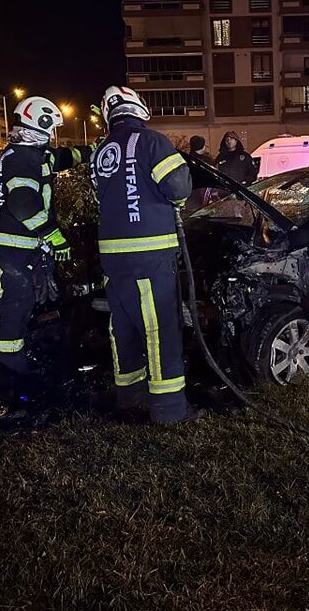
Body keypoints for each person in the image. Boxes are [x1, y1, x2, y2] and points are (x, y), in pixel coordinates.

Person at [90, 86, 199, 424]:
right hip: (150, 253)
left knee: (124, 326)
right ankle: (169, 410)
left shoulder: (101, 151)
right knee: (160, 328)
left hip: (112, 255)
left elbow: (105, 197)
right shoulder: (151, 141)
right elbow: (179, 186)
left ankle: (129, 395)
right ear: (139, 109)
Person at [0, 96, 95, 376]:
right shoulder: (20, 158)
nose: (52, 136)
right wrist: (53, 236)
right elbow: (22, 204)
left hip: (26, 246)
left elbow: (63, 157)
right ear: (40, 124)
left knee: (34, 300)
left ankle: (29, 356)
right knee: (15, 300)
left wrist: (95, 150)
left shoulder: (35, 153)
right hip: (10, 246)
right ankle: (8, 369)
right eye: (51, 129)